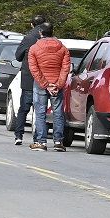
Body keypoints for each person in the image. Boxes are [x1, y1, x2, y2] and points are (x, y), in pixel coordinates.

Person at [27, 22, 71, 152]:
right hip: (57, 84)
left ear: (41, 33)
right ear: (53, 32)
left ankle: (41, 142)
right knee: (58, 113)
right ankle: (58, 141)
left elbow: (34, 69)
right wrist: (58, 84)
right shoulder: (63, 48)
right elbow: (65, 68)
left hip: (41, 85)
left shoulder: (34, 48)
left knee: (40, 112)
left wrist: (45, 84)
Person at [12, 14, 46, 146]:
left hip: (29, 77)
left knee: (24, 108)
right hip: (44, 79)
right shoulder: (48, 39)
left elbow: (18, 56)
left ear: (32, 24)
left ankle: (19, 135)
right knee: (40, 110)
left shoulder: (28, 38)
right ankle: (38, 137)